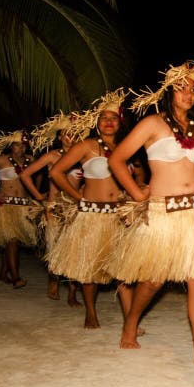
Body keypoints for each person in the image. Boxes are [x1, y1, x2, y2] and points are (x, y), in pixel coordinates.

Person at [106, 57, 194, 370]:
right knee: (155, 280)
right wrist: (137, 193)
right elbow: (117, 159)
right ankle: (131, 320)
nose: (188, 94)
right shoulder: (152, 124)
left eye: (192, 89)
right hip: (163, 210)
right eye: (181, 88)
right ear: (168, 92)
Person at [47, 88, 135, 329]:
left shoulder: (126, 149)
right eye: (104, 118)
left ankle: (130, 320)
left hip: (118, 216)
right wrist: (77, 197)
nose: (108, 122)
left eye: (113, 118)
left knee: (124, 270)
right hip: (92, 215)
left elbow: (132, 181)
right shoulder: (86, 146)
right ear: (97, 123)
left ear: (120, 122)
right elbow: (56, 172)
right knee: (91, 268)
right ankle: (91, 313)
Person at [21, 112, 87, 304]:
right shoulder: (52, 156)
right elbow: (25, 175)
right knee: (56, 247)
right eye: (67, 134)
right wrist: (38, 195)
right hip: (55, 207)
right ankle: (53, 279)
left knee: (74, 249)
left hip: (75, 207)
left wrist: (85, 189)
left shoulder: (83, 158)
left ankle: (73, 291)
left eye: (75, 134)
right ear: (59, 137)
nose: (71, 137)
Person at [0, 129, 39, 288]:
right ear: (11, 146)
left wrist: (34, 194)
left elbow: (39, 175)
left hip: (23, 205)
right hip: (6, 205)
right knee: (12, 241)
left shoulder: (30, 160)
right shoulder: (1, 160)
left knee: (14, 243)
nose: (21, 149)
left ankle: (3, 272)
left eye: (24, 146)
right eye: (17, 145)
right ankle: (16, 277)